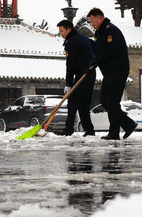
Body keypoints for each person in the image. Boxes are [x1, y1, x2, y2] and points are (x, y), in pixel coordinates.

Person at [87, 8, 137, 140]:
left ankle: (114, 132)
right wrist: (91, 63)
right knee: (105, 100)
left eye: (93, 21)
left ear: (100, 18)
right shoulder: (99, 33)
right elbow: (98, 51)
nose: (92, 24)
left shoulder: (111, 30)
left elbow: (111, 50)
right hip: (109, 72)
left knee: (112, 101)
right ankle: (128, 124)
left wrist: (97, 60)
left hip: (118, 70)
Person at [57, 19, 96, 137]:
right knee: (83, 104)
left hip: (82, 76)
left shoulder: (72, 42)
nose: (61, 34)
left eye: (62, 31)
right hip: (90, 74)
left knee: (73, 102)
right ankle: (89, 130)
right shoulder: (84, 38)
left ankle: (68, 129)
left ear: (69, 30)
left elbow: (70, 64)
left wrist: (68, 84)